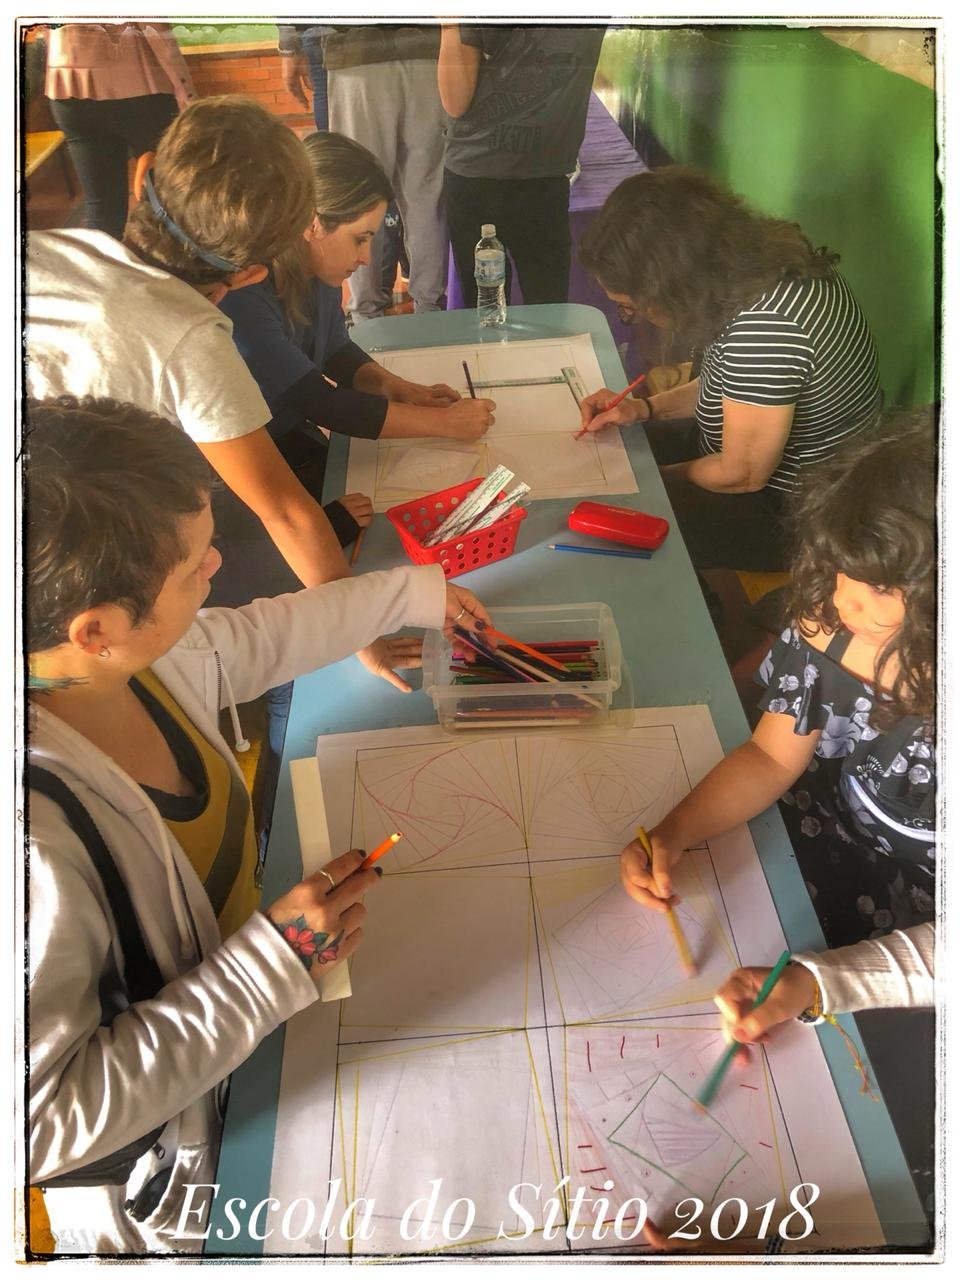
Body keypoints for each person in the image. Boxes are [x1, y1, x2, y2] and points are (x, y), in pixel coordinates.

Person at [24, 396, 491, 1253]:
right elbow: (41, 1124)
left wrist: (413, 592)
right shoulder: (33, 841)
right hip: (186, 1169)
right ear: (97, 630)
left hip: (266, 1013)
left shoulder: (134, 662)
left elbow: (266, 635)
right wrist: (270, 965)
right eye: (192, 565)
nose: (217, 563)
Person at [26, 94, 406, 690]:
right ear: (252, 274)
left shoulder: (45, 250)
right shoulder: (191, 339)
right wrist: (361, 630)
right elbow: (285, 511)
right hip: (85, 584)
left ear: (141, 173)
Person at [620, 416, 935, 952]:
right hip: (820, 824)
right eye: (840, 567)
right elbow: (770, 758)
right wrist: (675, 832)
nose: (842, 598)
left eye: (879, 588)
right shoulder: (829, 624)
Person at [579, 167, 882, 572]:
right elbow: (731, 384)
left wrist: (652, 482)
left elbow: (742, 475)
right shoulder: (763, 271)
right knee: (608, 455)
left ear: (673, 287)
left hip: (794, 513)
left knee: (613, 526)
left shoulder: (765, 328)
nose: (634, 317)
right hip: (752, 461)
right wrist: (643, 409)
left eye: (629, 307)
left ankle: (706, 607)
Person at [219, 130, 494, 450]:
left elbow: (336, 352)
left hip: (288, 430)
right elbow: (317, 400)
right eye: (359, 239)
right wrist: (444, 423)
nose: (366, 258)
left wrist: (399, 388)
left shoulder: (319, 271)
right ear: (312, 224)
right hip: (246, 453)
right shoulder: (241, 293)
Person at [438, 23, 605, 307]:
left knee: (549, 309)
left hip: (543, 179)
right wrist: (450, 24)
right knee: (486, 311)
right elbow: (455, 103)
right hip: (475, 179)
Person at [323, 24, 447, 321]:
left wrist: (289, 44)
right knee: (427, 198)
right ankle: (431, 313)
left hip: (358, 52)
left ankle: (366, 317)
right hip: (429, 49)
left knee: (357, 195)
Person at [42, 21, 196, 239]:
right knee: (167, 198)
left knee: (101, 211)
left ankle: (100, 261)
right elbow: (155, 29)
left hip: (68, 89)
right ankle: (167, 258)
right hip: (142, 87)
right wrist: (187, 94)